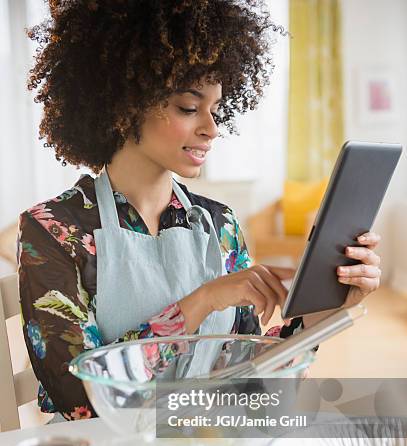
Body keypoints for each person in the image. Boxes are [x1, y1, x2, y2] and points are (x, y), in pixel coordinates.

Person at [18, 0, 381, 421]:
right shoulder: (54, 230)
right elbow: (79, 398)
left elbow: (250, 378)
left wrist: (324, 311)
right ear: (124, 104)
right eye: (189, 108)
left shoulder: (219, 224)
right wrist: (203, 301)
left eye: (215, 108)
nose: (211, 127)